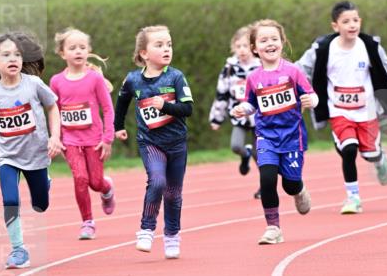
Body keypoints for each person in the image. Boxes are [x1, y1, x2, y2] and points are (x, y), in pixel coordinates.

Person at [297, 0, 387, 214]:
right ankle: (353, 198)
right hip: (339, 111)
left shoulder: (369, 46)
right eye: (346, 21)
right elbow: (299, 71)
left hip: (367, 111)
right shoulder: (323, 49)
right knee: (349, 149)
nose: (352, 25)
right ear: (335, 26)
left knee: (368, 153)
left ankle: (379, 159)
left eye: (355, 20)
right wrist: (280, 83)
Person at [0, 32, 62, 269]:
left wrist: (55, 137)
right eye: (6, 55)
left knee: (40, 205)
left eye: (17, 55)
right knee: (10, 199)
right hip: (8, 158)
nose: (13, 59)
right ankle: (18, 250)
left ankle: (44, 181)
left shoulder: (33, 85)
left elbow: (53, 107)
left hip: (36, 156)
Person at [232, 19, 317, 244]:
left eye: (274, 39)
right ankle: (273, 228)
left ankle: (299, 190)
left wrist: (311, 100)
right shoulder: (253, 77)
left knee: (289, 184)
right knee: (267, 178)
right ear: (254, 48)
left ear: (282, 43)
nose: (270, 43)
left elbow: (311, 94)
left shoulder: (293, 71)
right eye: (263, 40)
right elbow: (251, 103)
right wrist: (243, 109)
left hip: (292, 136)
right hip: (266, 136)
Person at [114, 25, 193, 259]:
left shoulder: (176, 77)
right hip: (150, 143)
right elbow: (122, 102)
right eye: (159, 45)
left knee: (173, 193)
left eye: (169, 44)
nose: (166, 48)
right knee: (157, 181)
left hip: (177, 144)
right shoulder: (133, 80)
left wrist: (165, 106)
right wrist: (118, 127)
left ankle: (171, 235)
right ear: (143, 54)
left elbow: (187, 109)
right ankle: (147, 229)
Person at [50, 27, 115, 240]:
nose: (78, 51)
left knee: (95, 182)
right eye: (72, 48)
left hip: (94, 141)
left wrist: (107, 138)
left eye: (82, 47)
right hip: (70, 141)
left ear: (88, 50)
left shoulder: (94, 79)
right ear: (62, 53)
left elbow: (107, 108)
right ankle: (87, 222)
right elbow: (55, 112)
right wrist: (56, 138)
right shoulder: (56, 81)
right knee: (80, 178)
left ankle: (107, 188)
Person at [209, 25, 261, 195]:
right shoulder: (230, 68)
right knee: (235, 146)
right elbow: (221, 94)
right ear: (234, 48)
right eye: (238, 46)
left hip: (259, 116)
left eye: (245, 46)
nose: (242, 50)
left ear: (253, 47)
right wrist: (216, 118)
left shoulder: (261, 66)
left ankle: (264, 186)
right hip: (239, 115)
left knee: (259, 153)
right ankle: (244, 155)